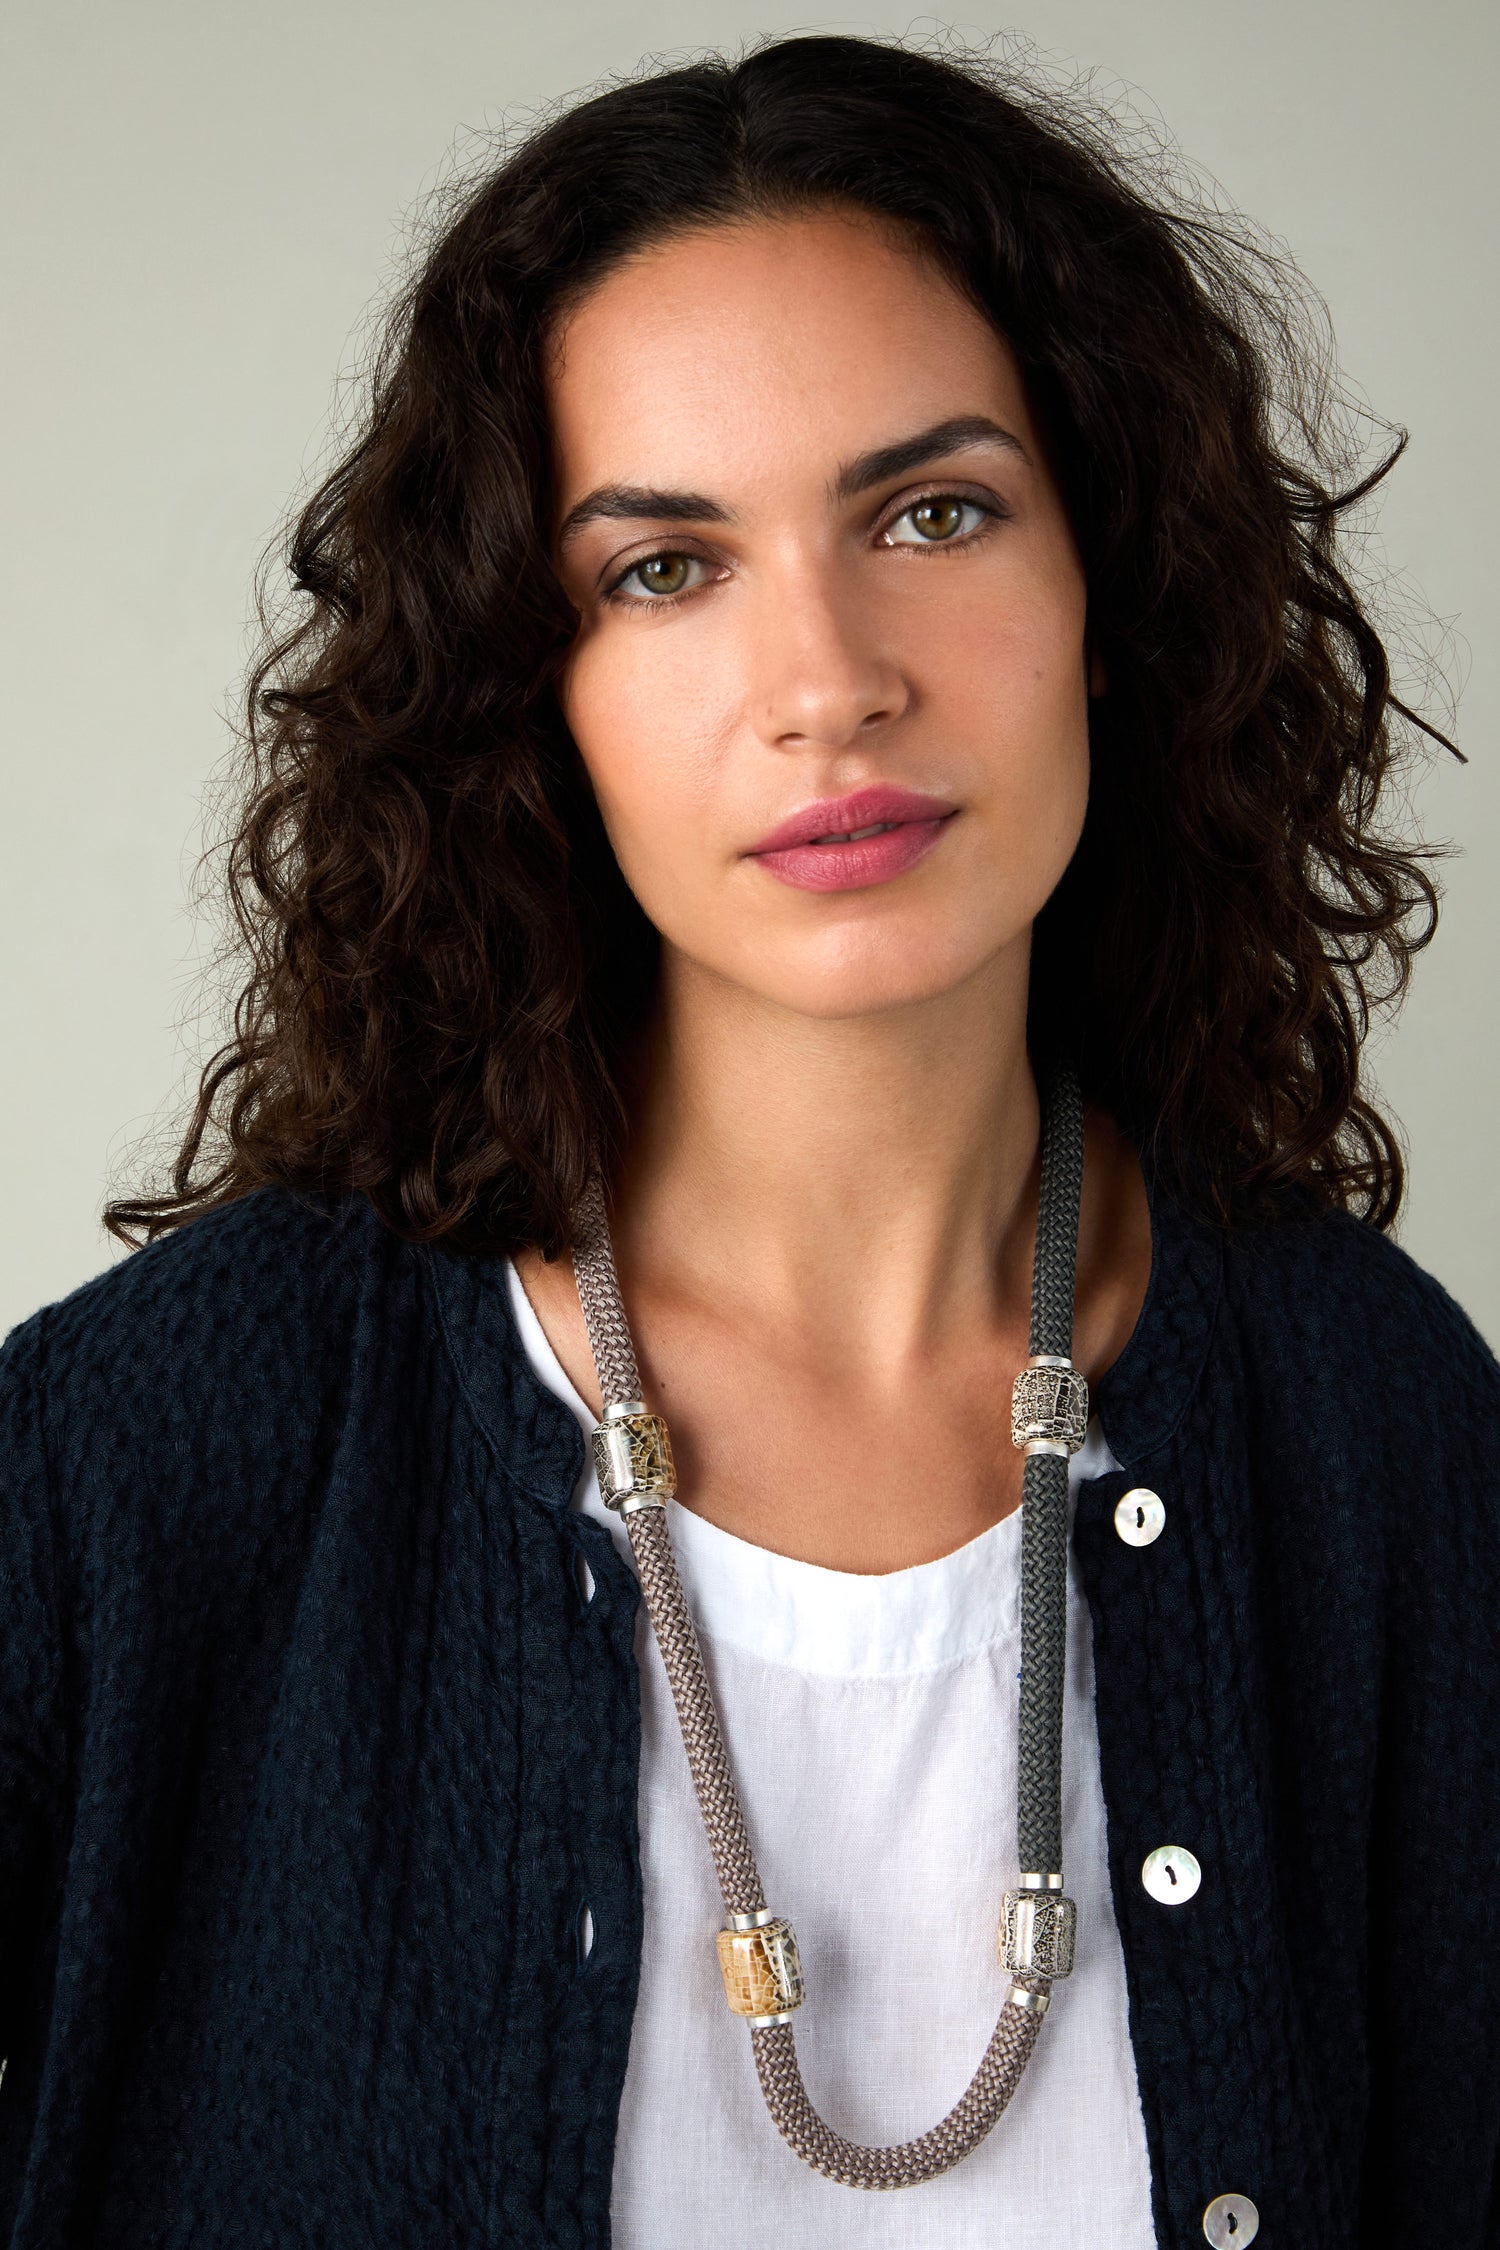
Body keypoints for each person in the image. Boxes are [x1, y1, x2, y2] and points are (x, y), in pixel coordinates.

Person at [1, 33, 1495, 2250]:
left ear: (1117, 590)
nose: (830, 677)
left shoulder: (1378, 1424)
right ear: (533, 696)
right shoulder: (145, 1454)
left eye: (935, 513)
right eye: (664, 571)